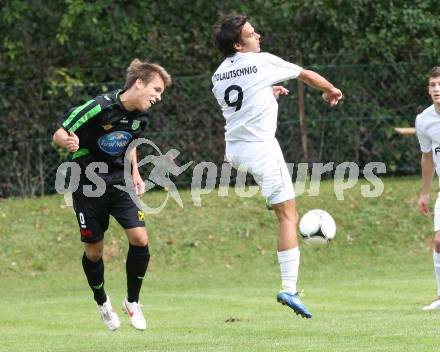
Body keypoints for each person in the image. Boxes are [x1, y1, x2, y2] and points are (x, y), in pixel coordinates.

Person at [211, 15, 343, 318]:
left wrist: (268, 93)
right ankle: (289, 288)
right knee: (288, 215)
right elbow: (305, 74)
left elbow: (240, 102)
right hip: (262, 151)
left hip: (236, 150)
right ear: (237, 44)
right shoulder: (262, 61)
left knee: (283, 209)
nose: (258, 36)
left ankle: (290, 285)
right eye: (251, 34)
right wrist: (330, 90)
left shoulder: (217, 76)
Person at [53, 59, 172, 330]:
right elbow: (59, 133)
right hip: (87, 184)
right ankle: (102, 302)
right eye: (156, 89)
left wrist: (136, 173)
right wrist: (67, 141)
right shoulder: (98, 107)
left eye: (161, 93)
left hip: (120, 181)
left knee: (140, 239)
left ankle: (132, 302)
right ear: (139, 83)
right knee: (94, 252)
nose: (158, 97)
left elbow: (129, 144)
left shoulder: (141, 117)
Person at [415, 66, 440, 310]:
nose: (437, 89)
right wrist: (425, 193)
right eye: (433, 85)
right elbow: (427, 157)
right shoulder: (424, 120)